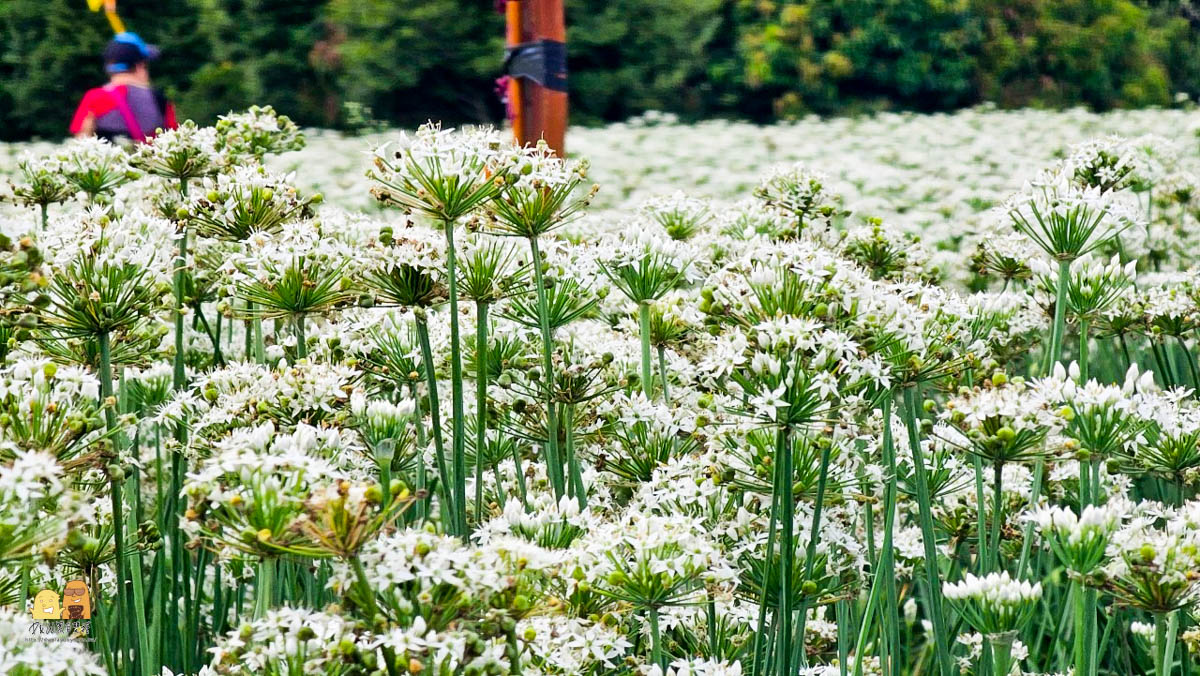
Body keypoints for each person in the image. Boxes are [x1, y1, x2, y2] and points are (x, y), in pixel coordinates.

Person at [69, 32, 177, 143]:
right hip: (150, 159)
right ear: (139, 66)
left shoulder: (94, 97)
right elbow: (174, 139)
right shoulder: (160, 99)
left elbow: (81, 141)